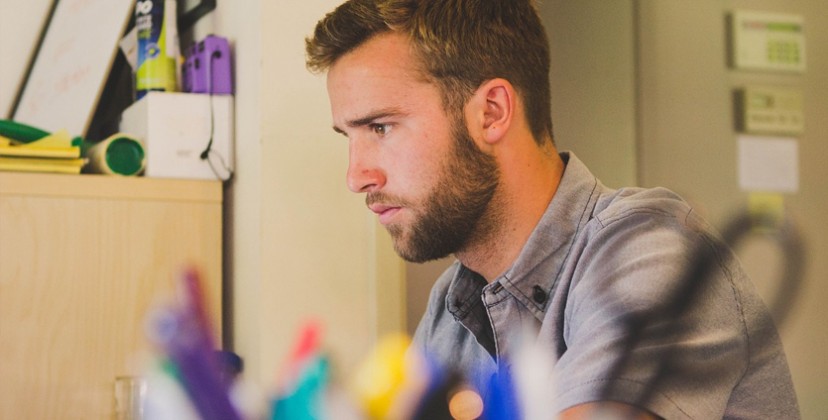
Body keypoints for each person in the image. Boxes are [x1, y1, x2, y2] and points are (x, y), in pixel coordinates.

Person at [305, 0, 799, 418]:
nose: (356, 176)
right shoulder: (450, 307)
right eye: (349, 136)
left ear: (492, 112)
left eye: (380, 128)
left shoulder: (653, 249)